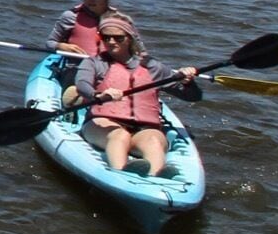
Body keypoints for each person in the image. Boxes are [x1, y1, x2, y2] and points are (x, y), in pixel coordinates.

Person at [63, 13, 200, 178]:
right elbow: (82, 85)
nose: (111, 41)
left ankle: (156, 176)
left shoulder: (153, 67)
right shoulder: (94, 63)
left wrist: (188, 81)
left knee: (154, 142)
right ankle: (120, 173)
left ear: (129, 38)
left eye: (118, 38)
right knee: (119, 136)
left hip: (144, 128)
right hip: (103, 124)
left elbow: (192, 96)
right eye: (106, 37)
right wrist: (98, 94)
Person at [52, 0, 120, 56]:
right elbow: (50, 43)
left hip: (107, 67)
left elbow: (137, 50)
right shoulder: (71, 16)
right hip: (76, 66)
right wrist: (60, 46)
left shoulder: (119, 20)